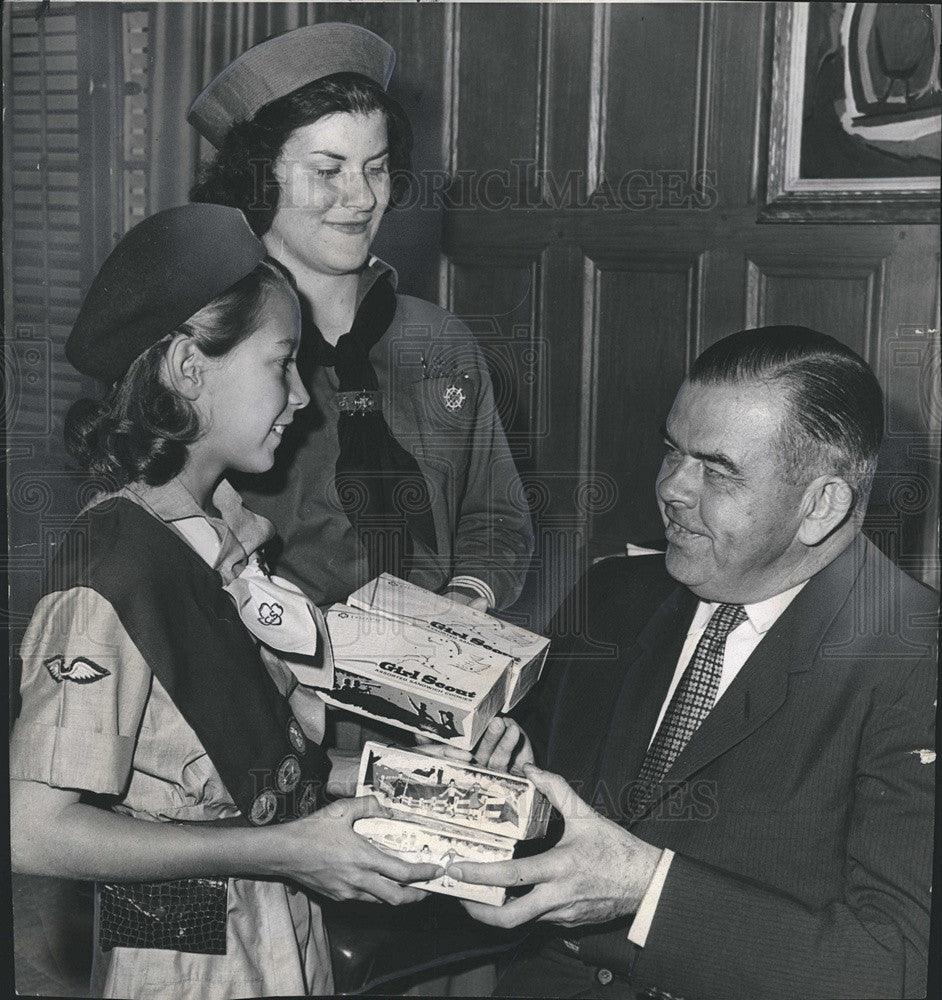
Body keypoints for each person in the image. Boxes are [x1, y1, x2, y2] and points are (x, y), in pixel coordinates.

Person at [9, 204, 445, 999]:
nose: (303, 398)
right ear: (187, 369)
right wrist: (285, 850)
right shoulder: (114, 568)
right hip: (180, 955)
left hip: (277, 924)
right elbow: (33, 831)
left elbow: (249, 770)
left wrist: (417, 778)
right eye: (281, 364)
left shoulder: (220, 535)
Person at [445, 327, 937, 999]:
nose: (671, 488)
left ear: (821, 507)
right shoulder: (613, 595)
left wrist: (644, 888)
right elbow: (555, 822)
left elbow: (894, 969)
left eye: (717, 469)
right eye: (671, 451)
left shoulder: (915, 659)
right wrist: (508, 787)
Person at [187, 22, 533, 615]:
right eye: (328, 171)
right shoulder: (212, 349)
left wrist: (464, 599)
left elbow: (496, 516)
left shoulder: (440, 342)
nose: (364, 197)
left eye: (375, 168)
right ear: (258, 179)